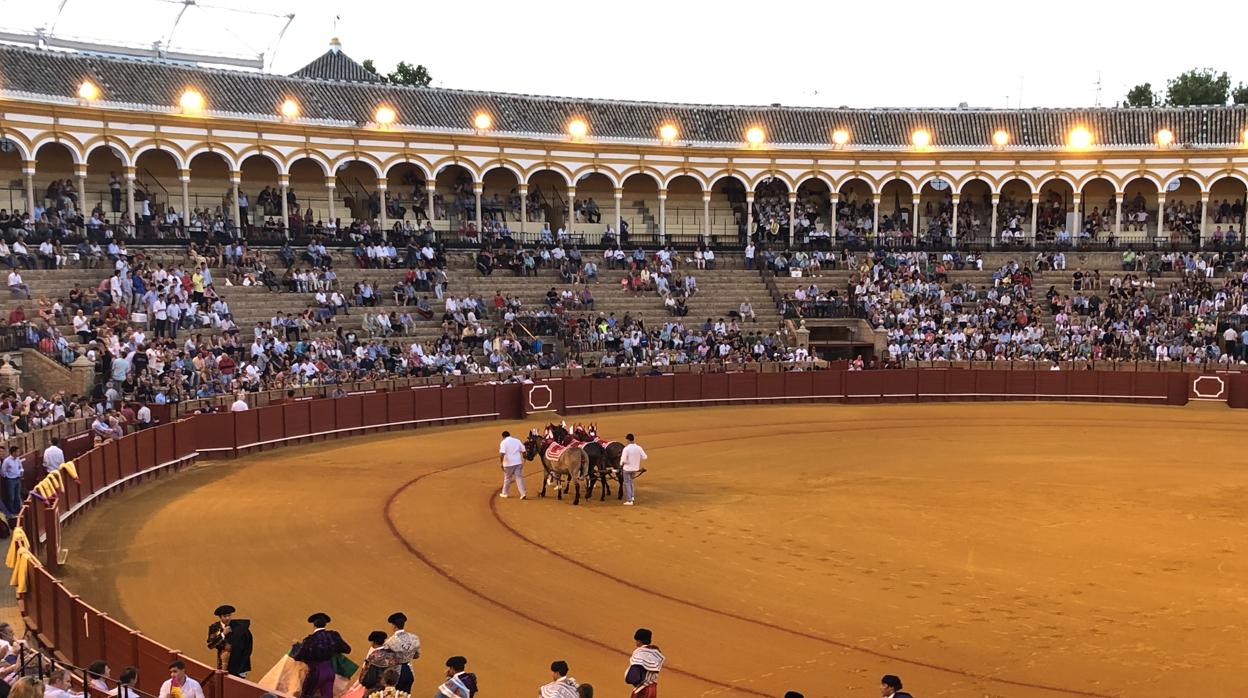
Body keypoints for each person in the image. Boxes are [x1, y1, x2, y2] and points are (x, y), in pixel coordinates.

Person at [293, 613, 350, 698]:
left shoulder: (309, 640)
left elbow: (298, 656)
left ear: (314, 625)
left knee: (306, 696)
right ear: (325, 624)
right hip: (330, 672)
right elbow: (347, 649)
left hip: (316, 672)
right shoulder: (334, 636)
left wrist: (296, 646)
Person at [207, 604, 254, 678]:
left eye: (229, 615)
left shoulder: (240, 627)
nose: (228, 618)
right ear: (220, 617)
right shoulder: (215, 628)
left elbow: (248, 647)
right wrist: (223, 634)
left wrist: (244, 667)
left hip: (238, 665)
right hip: (223, 664)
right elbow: (210, 645)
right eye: (225, 616)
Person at [383, 612, 419, 692]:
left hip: (395, 675)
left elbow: (385, 660)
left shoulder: (390, 642)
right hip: (409, 672)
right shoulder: (415, 638)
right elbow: (416, 655)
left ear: (394, 625)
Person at [624, 628, 664, 697]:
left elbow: (633, 677)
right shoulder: (656, 653)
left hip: (642, 690)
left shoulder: (640, 654)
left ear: (639, 641)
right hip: (653, 689)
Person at [620, 433, 647, 506]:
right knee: (631, 482)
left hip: (627, 469)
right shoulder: (639, 447)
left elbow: (623, 460)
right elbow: (644, 457)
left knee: (627, 483)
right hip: (635, 468)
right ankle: (632, 497)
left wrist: (621, 465)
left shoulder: (626, 449)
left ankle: (629, 501)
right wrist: (637, 459)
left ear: (628, 440)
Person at [498, 430, 527, 499]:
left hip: (508, 463)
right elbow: (524, 451)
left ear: (503, 437)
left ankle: (504, 493)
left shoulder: (503, 442)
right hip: (517, 462)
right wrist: (524, 458)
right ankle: (523, 493)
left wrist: (501, 463)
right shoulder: (517, 440)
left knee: (507, 478)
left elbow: (502, 454)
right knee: (519, 478)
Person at [2, 446, 23, 518]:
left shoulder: (17, 459)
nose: (18, 453)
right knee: (11, 496)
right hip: (10, 480)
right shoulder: (7, 461)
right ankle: (12, 511)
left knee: (17, 495)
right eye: (17, 452)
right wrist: (8, 477)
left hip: (17, 479)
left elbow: (20, 467)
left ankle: (18, 510)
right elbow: (3, 471)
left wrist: (21, 472)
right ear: (13, 452)